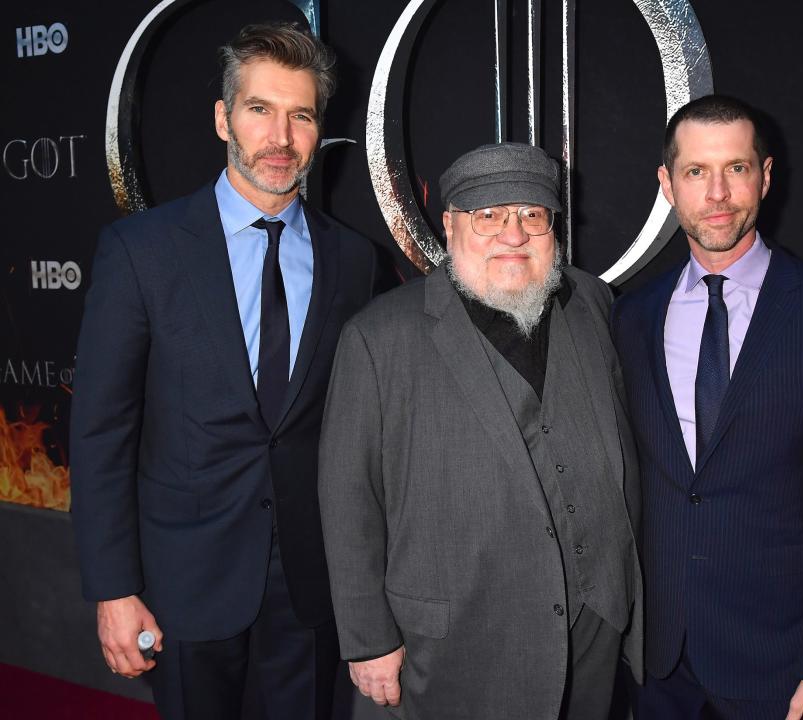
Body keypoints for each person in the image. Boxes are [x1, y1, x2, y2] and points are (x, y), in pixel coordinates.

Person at [70, 22, 381, 719]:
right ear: (222, 118)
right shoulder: (142, 250)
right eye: (259, 109)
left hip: (310, 587)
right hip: (183, 584)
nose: (281, 137)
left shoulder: (353, 261)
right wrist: (113, 590)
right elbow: (100, 432)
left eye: (301, 115)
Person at [316, 142, 643, 719]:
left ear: (553, 228)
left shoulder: (592, 302)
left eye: (532, 216)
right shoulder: (378, 338)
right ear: (449, 225)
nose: (512, 234)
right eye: (488, 216)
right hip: (453, 647)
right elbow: (348, 499)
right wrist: (368, 639)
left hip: (594, 632)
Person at [611, 94, 803, 720]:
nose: (717, 193)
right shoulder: (631, 318)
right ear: (667, 184)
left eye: (735, 168)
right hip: (657, 660)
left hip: (785, 664)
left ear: (765, 176)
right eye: (695, 172)